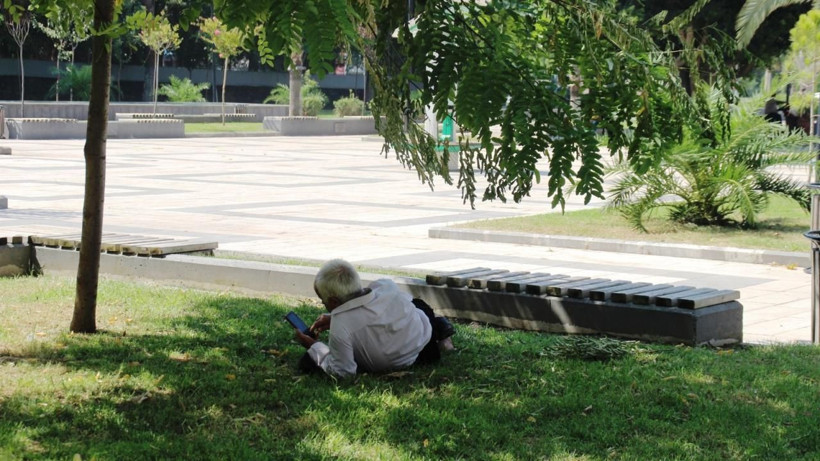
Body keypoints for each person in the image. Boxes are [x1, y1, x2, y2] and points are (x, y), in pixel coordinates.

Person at [291, 259, 454, 378]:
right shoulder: (385, 286)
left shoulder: (341, 325)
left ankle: (441, 331)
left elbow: (343, 371)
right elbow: (369, 315)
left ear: (333, 301)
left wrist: (314, 346)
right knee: (418, 305)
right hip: (425, 343)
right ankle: (442, 331)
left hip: (416, 359)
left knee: (417, 306)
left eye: (323, 300)